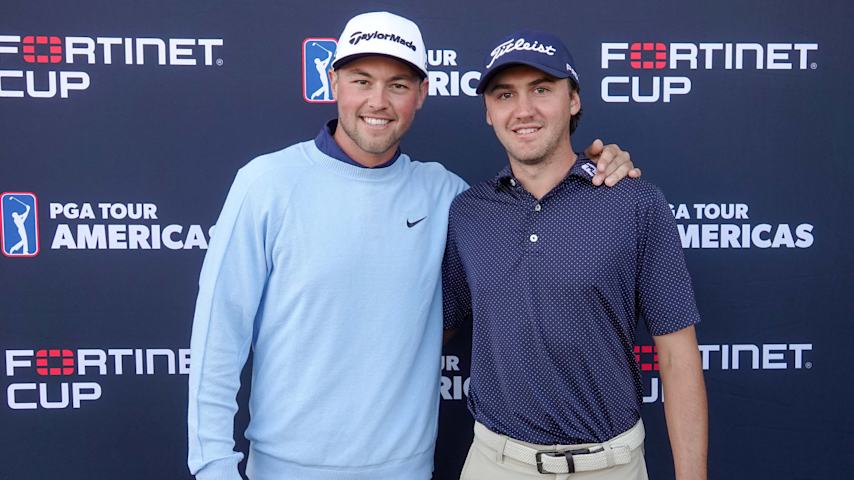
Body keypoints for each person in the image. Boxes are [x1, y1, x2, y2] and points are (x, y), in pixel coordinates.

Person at [188, 13, 637, 480]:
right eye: (362, 81)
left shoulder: (447, 196)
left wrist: (599, 166)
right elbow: (219, 335)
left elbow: (539, 203)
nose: (378, 102)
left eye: (398, 85)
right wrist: (214, 466)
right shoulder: (266, 184)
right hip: (284, 470)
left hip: (407, 469)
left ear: (421, 94)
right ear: (333, 82)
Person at [442, 31, 707, 480]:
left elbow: (678, 358)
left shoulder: (635, 203)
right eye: (505, 95)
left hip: (610, 465)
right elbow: (435, 330)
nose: (523, 110)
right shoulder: (468, 211)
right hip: (495, 463)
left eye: (542, 90)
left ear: (574, 100)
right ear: (488, 111)